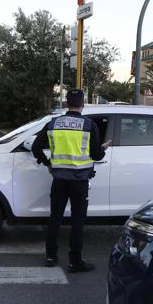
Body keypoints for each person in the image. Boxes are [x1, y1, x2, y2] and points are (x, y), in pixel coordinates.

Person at [32, 89, 111, 273]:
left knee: (55, 218)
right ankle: (75, 261)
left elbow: (36, 147)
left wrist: (48, 163)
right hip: (80, 181)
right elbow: (96, 155)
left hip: (59, 179)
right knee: (77, 220)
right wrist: (104, 148)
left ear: (66, 104)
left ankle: (51, 256)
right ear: (83, 104)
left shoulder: (53, 123)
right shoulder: (89, 124)